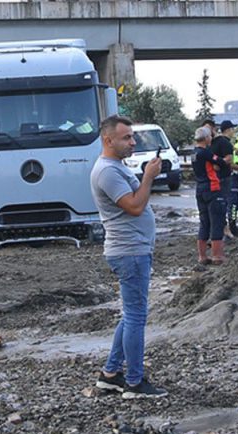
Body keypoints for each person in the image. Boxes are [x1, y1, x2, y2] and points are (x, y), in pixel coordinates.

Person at [90, 115, 167, 399]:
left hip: (134, 250)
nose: (132, 142)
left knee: (130, 315)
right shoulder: (107, 172)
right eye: (126, 138)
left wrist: (146, 177)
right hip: (129, 252)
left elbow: (136, 200)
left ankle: (110, 375)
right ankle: (134, 383)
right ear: (108, 140)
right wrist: (148, 176)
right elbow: (134, 207)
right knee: (135, 317)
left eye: (132, 137)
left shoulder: (116, 167)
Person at [192, 126, 229, 264]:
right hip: (212, 189)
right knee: (217, 222)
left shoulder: (194, 153)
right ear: (207, 138)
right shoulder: (205, 152)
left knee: (204, 223)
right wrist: (223, 161)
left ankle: (202, 256)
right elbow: (221, 162)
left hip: (200, 189)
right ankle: (217, 256)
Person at [212, 120, 238, 238]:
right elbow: (228, 162)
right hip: (227, 176)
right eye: (232, 129)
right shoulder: (225, 143)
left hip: (218, 177)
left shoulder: (216, 142)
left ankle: (225, 227)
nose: (233, 132)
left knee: (222, 203)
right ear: (228, 130)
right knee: (232, 202)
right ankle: (231, 226)